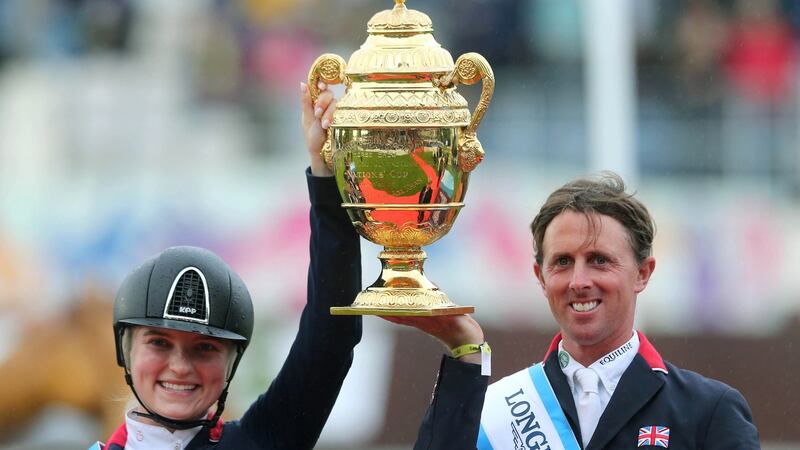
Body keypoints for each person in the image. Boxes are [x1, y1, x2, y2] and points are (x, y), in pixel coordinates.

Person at [89, 81, 488, 449]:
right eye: (159, 342)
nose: (179, 367)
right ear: (125, 351)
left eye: (205, 348)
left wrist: (328, 169)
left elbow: (329, 340)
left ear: (230, 363)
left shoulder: (263, 440)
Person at [477, 173, 760, 450]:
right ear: (541, 277)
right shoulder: (495, 411)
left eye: (599, 260)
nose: (579, 282)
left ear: (642, 273)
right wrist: (463, 360)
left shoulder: (708, 411)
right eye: (563, 261)